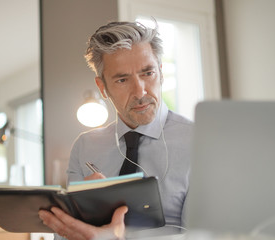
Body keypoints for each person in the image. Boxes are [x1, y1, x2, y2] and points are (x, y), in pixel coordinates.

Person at [38, 21, 193, 240]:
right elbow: (66, 234)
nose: (140, 91)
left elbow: (207, 235)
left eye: (148, 73)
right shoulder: (85, 147)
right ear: (102, 88)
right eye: (122, 79)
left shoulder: (198, 141)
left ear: (161, 72)